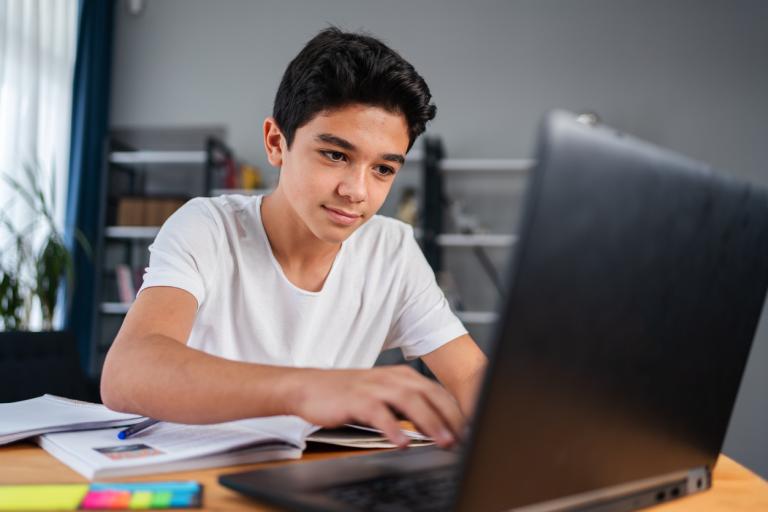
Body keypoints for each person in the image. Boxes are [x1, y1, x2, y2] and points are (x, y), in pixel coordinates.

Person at [101, 27, 487, 449]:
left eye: (383, 169)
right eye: (336, 155)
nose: (357, 191)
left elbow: (468, 374)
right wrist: (305, 390)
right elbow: (128, 371)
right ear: (276, 143)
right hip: (197, 474)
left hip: (310, 477)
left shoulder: (391, 248)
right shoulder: (207, 227)